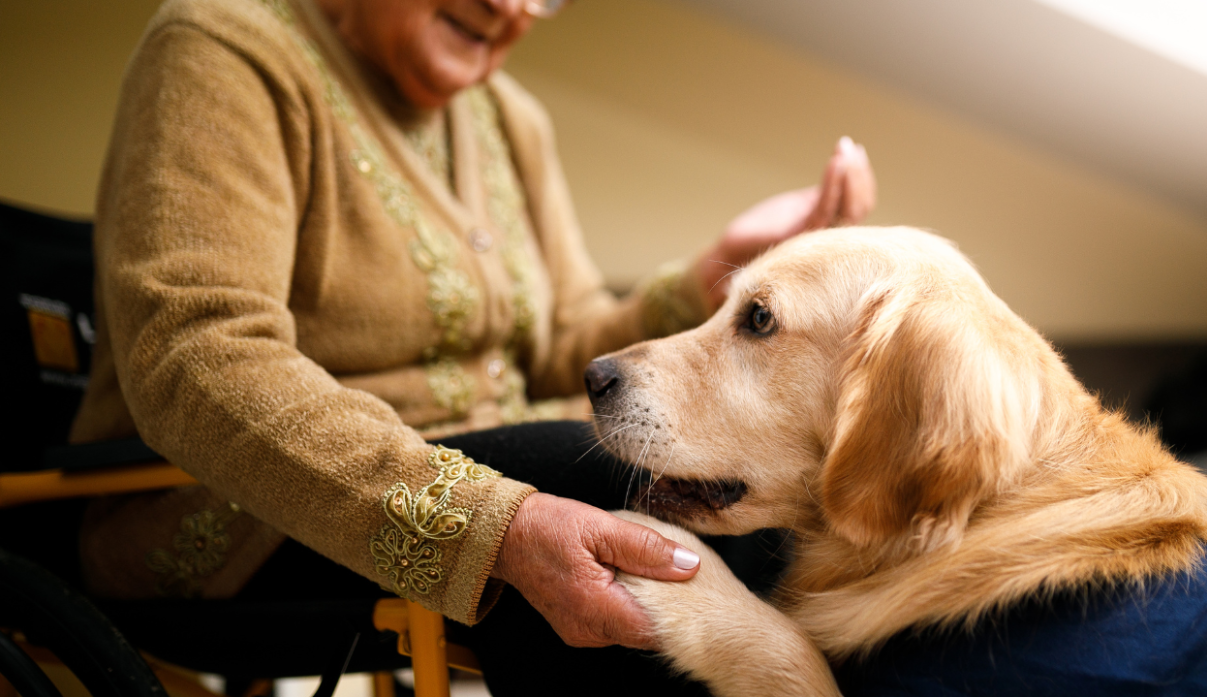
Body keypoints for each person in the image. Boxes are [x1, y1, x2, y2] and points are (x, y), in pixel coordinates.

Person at [69, 0, 875, 690]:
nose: (510, 7)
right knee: (632, 501)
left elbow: (567, 347)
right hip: (236, 519)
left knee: (748, 498)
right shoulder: (225, 45)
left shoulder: (509, 119)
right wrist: (494, 523)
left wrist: (708, 275)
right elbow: (192, 355)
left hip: (493, 453)